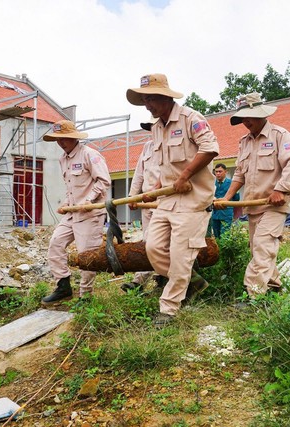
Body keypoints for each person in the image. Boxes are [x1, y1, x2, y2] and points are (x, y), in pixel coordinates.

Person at [126, 73, 219, 327]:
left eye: (150, 99)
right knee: (153, 248)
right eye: (144, 100)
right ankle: (192, 281)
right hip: (167, 200)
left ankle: (169, 309)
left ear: (165, 97)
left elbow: (210, 148)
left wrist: (186, 174)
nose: (147, 105)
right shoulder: (156, 127)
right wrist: (155, 187)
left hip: (193, 200)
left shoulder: (191, 118)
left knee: (180, 254)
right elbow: (163, 164)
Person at [215, 92, 290, 302]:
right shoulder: (244, 142)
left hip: (274, 205)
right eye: (242, 118)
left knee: (262, 246)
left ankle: (253, 295)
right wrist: (226, 198)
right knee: (259, 248)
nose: (245, 122)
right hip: (253, 206)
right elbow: (239, 174)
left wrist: (281, 189)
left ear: (261, 114)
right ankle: (274, 286)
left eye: (249, 117)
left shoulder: (280, 135)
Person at [41, 120, 111, 304]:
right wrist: (66, 203)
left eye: (64, 138)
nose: (61, 142)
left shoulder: (90, 155)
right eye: (58, 139)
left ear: (73, 137)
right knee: (55, 243)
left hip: (90, 214)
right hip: (72, 213)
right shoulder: (63, 159)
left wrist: (89, 200)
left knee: (86, 255)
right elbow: (71, 187)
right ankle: (63, 286)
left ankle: (86, 296)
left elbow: (103, 181)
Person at [123, 118, 160, 292]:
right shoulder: (147, 147)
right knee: (149, 241)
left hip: (164, 202)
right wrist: (132, 196)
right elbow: (139, 174)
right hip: (147, 204)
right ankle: (144, 281)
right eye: (152, 127)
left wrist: (154, 193)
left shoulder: (172, 147)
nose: (155, 130)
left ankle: (140, 281)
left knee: (154, 241)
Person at [210, 163, 239, 238]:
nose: (218, 174)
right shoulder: (212, 183)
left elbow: (236, 198)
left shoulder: (231, 183)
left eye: (220, 171)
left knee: (225, 235)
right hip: (214, 214)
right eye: (216, 172)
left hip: (226, 213)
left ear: (225, 172)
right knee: (216, 236)